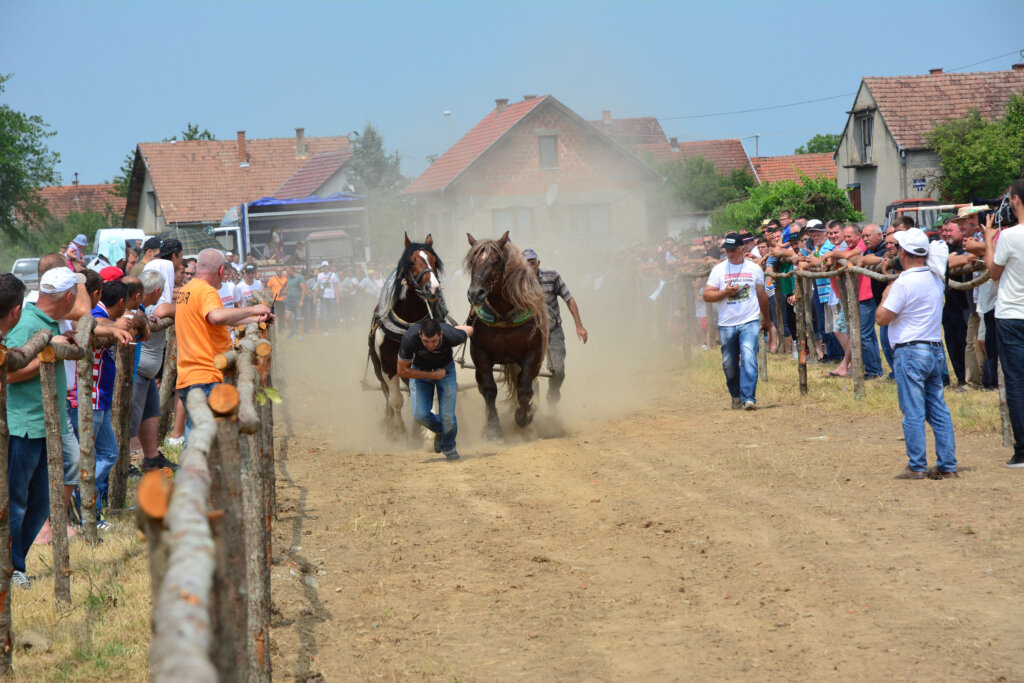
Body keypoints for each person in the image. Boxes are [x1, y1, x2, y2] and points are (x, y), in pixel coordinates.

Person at [5, 268, 83, 587]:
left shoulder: (47, 322)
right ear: (68, 297)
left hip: (42, 423)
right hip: (23, 423)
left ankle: (15, 565)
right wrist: (47, 357)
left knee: (40, 498)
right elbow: (7, 373)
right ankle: (9, 568)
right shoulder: (26, 323)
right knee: (18, 498)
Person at [876, 228, 957, 479]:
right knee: (938, 409)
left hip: (910, 351)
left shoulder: (904, 283)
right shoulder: (935, 276)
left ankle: (917, 464)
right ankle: (947, 464)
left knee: (913, 410)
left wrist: (886, 294)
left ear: (903, 252)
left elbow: (881, 318)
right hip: (934, 348)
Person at [175, 249, 273, 439]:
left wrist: (255, 318)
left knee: (197, 441)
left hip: (188, 375)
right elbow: (217, 316)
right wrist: (252, 308)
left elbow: (214, 320)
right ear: (221, 270)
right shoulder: (207, 291)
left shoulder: (188, 289)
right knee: (211, 445)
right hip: (207, 376)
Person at [703, 232, 771, 410]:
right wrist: (725, 292)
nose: (730, 253)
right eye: (727, 250)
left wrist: (767, 319)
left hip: (749, 321)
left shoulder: (754, 269)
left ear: (742, 249)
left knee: (749, 356)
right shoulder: (718, 270)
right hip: (727, 323)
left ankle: (749, 398)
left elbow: (762, 295)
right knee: (729, 362)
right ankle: (736, 395)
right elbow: (707, 295)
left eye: (733, 249)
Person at [984, 178, 1024, 467]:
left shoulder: (1009, 236)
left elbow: (993, 272)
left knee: (1017, 382)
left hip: (1011, 314)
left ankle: (1022, 449)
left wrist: (988, 240)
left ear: (1017, 200)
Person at [396, 318, 474, 461]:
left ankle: (449, 448)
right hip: (420, 371)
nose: (430, 345)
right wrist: (433, 375)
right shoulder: (409, 338)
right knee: (420, 415)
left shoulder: (452, 335)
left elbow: (470, 330)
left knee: (448, 416)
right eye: (426, 341)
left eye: (434, 341)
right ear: (420, 335)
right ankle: (441, 430)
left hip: (446, 371)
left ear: (441, 335)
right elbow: (402, 371)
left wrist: (458, 328)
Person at [522, 248, 589, 405]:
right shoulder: (517, 283)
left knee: (558, 371)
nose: (529, 268)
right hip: (527, 334)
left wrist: (579, 326)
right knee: (527, 372)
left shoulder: (552, 276)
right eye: (525, 264)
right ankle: (533, 403)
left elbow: (569, 299)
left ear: (538, 263)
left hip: (553, 330)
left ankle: (552, 396)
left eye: (531, 263)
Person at [131, 269, 177, 472]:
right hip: (136, 370)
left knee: (151, 412)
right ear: (157, 291)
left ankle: (152, 456)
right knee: (130, 417)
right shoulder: (137, 306)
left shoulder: (145, 306)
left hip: (146, 372)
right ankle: (124, 462)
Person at [315, 261, 340, 336]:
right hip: (323, 297)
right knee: (325, 314)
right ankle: (326, 330)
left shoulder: (333, 275)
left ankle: (334, 329)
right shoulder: (319, 275)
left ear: (328, 267)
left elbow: (336, 286)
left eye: (326, 266)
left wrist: (337, 297)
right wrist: (315, 297)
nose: (324, 267)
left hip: (332, 297)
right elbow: (317, 287)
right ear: (322, 267)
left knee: (333, 313)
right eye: (323, 266)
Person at [283, 265, 306, 339]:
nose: (286, 273)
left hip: (297, 301)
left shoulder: (300, 277)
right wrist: (285, 294)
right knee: (287, 318)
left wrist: (301, 301)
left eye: (288, 271)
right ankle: (292, 331)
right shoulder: (289, 278)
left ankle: (300, 335)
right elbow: (287, 287)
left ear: (292, 270)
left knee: (299, 319)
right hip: (289, 301)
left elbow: (303, 289)